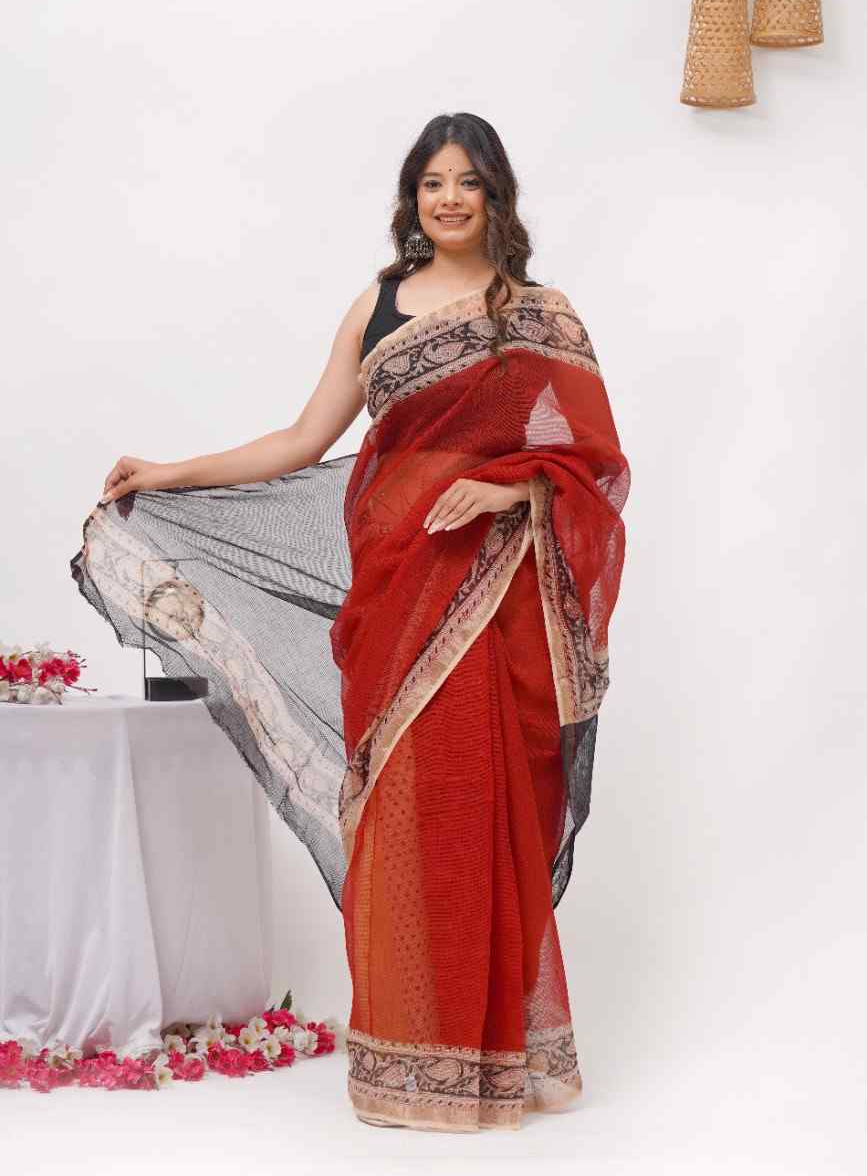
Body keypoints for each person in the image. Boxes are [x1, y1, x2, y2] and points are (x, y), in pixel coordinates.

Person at [71, 111, 630, 1132]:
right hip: (394, 587)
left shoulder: (535, 315)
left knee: (473, 804)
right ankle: (405, 1055)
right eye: (432, 182)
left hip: (488, 594)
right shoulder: (375, 305)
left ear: (496, 196)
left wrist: (507, 492)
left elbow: (593, 465)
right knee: (396, 810)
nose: (449, 199)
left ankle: (483, 1059)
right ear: (412, 196)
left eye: (468, 182)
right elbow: (301, 438)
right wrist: (169, 471)